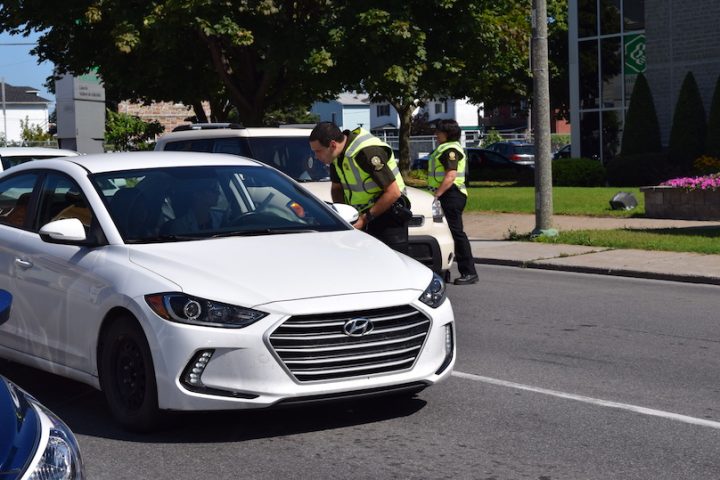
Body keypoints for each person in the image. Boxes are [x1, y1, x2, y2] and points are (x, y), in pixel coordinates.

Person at [309, 122, 411, 254]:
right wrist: (343, 215)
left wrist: (365, 219)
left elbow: (393, 193)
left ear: (333, 145)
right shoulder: (336, 157)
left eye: (318, 151)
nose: (316, 157)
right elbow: (336, 188)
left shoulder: (367, 152)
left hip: (388, 216)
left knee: (393, 265)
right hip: (364, 218)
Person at [427, 119, 478, 285]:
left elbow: (450, 175)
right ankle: (444, 271)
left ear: (447, 133)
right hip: (448, 194)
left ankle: (469, 272)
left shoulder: (450, 149)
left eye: (438, 131)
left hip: (451, 194)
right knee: (445, 233)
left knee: (456, 233)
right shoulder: (445, 148)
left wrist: (436, 195)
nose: (436, 134)